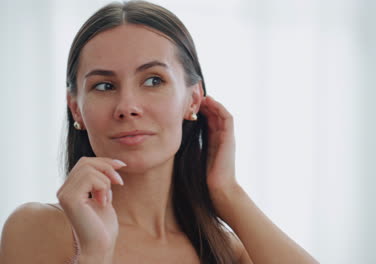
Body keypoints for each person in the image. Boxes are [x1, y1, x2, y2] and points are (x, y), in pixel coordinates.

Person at [0, 1, 319, 263]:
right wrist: (95, 254)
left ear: (193, 98)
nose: (127, 106)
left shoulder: (229, 249)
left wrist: (227, 192)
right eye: (104, 85)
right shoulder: (39, 229)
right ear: (76, 108)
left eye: (153, 80)